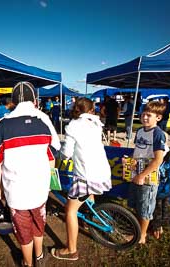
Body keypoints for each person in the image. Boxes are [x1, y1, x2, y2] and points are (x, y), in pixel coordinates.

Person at [0, 81, 61, 267]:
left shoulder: (2, 126)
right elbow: (52, 155)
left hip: (15, 192)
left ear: (12, 101)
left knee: (22, 231)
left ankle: (27, 263)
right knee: (38, 224)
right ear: (35, 100)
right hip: (40, 189)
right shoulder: (43, 121)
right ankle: (38, 256)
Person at [51, 97, 111, 261]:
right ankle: (89, 219)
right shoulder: (95, 123)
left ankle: (71, 250)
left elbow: (67, 153)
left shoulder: (73, 125)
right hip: (101, 170)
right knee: (89, 196)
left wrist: (58, 156)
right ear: (91, 110)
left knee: (70, 210)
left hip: (86, 174)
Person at [123, 101, 167, 244]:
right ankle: (137, 230)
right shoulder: (140, 130)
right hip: (136, 173)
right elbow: (138, 152)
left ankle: (141, 236)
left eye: (149, 115)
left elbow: (158, 160)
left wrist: (142, 175)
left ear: (158, 118)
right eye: (143, 114)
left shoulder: (158, 133)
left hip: (148, 177)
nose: (145, 117)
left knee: (145, 208)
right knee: (136, 204)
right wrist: (130, 161)